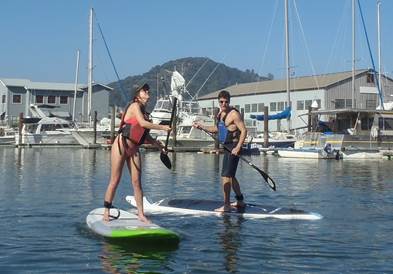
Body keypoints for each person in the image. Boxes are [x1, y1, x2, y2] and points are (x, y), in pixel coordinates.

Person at [103, 83, 171, 223]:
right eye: (144, 91)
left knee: (137, 183)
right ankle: (106, 211)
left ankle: (141, 214)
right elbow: (142, 123)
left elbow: (145, 135)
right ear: (137, 95)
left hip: (134, 149)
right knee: (115, 179)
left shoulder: (145, 111)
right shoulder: (134, 106)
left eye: (147, 90)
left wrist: (158, 146)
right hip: (121, 145)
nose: (147, 92)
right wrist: (163, 127)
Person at [193, 90, 247, 212]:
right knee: (231, 176)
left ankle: (226, 205)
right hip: (227, 147)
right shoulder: (220, 114)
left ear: (229, 101)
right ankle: (240, 200)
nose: (224, 104)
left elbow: (244, 130)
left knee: (225, 176)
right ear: (219, 102)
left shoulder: (234, 114)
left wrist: (238, 147)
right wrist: (201, 126)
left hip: (233, 147)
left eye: (226, 102)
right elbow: (216, 129)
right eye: (221, 102)